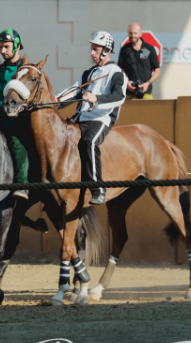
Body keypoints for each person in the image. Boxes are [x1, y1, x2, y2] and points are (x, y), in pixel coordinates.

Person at [62, 31, 127, 206]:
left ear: (106, 50)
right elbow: (72, 91)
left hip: (101, 118)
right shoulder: (88, 73)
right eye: (91, 49)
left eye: (95, 49)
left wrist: (95, 98)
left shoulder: (116, 72)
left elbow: (119, 97)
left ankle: (98, 189)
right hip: (80, 117)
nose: (92, 53)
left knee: (89, 142)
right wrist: (50, 102)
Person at [0, 29, 31, 200]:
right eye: (0, 47)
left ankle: (22, 186)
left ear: (17, 46)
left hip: (16, 122)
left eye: (6, 46)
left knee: (17, 144)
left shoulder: (25, 70)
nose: (3, 51)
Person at [118, 23, 160, 100]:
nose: (133, 35)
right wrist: (126, 82)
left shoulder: (149, 49)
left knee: (147, 112)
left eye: (135, 33)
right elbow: (120, 70)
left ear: (141, 34)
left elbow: (157, 70)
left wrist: (148, 83)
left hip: (146, 93)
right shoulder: (124, 50)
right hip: (128, 93)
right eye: (131, 33)